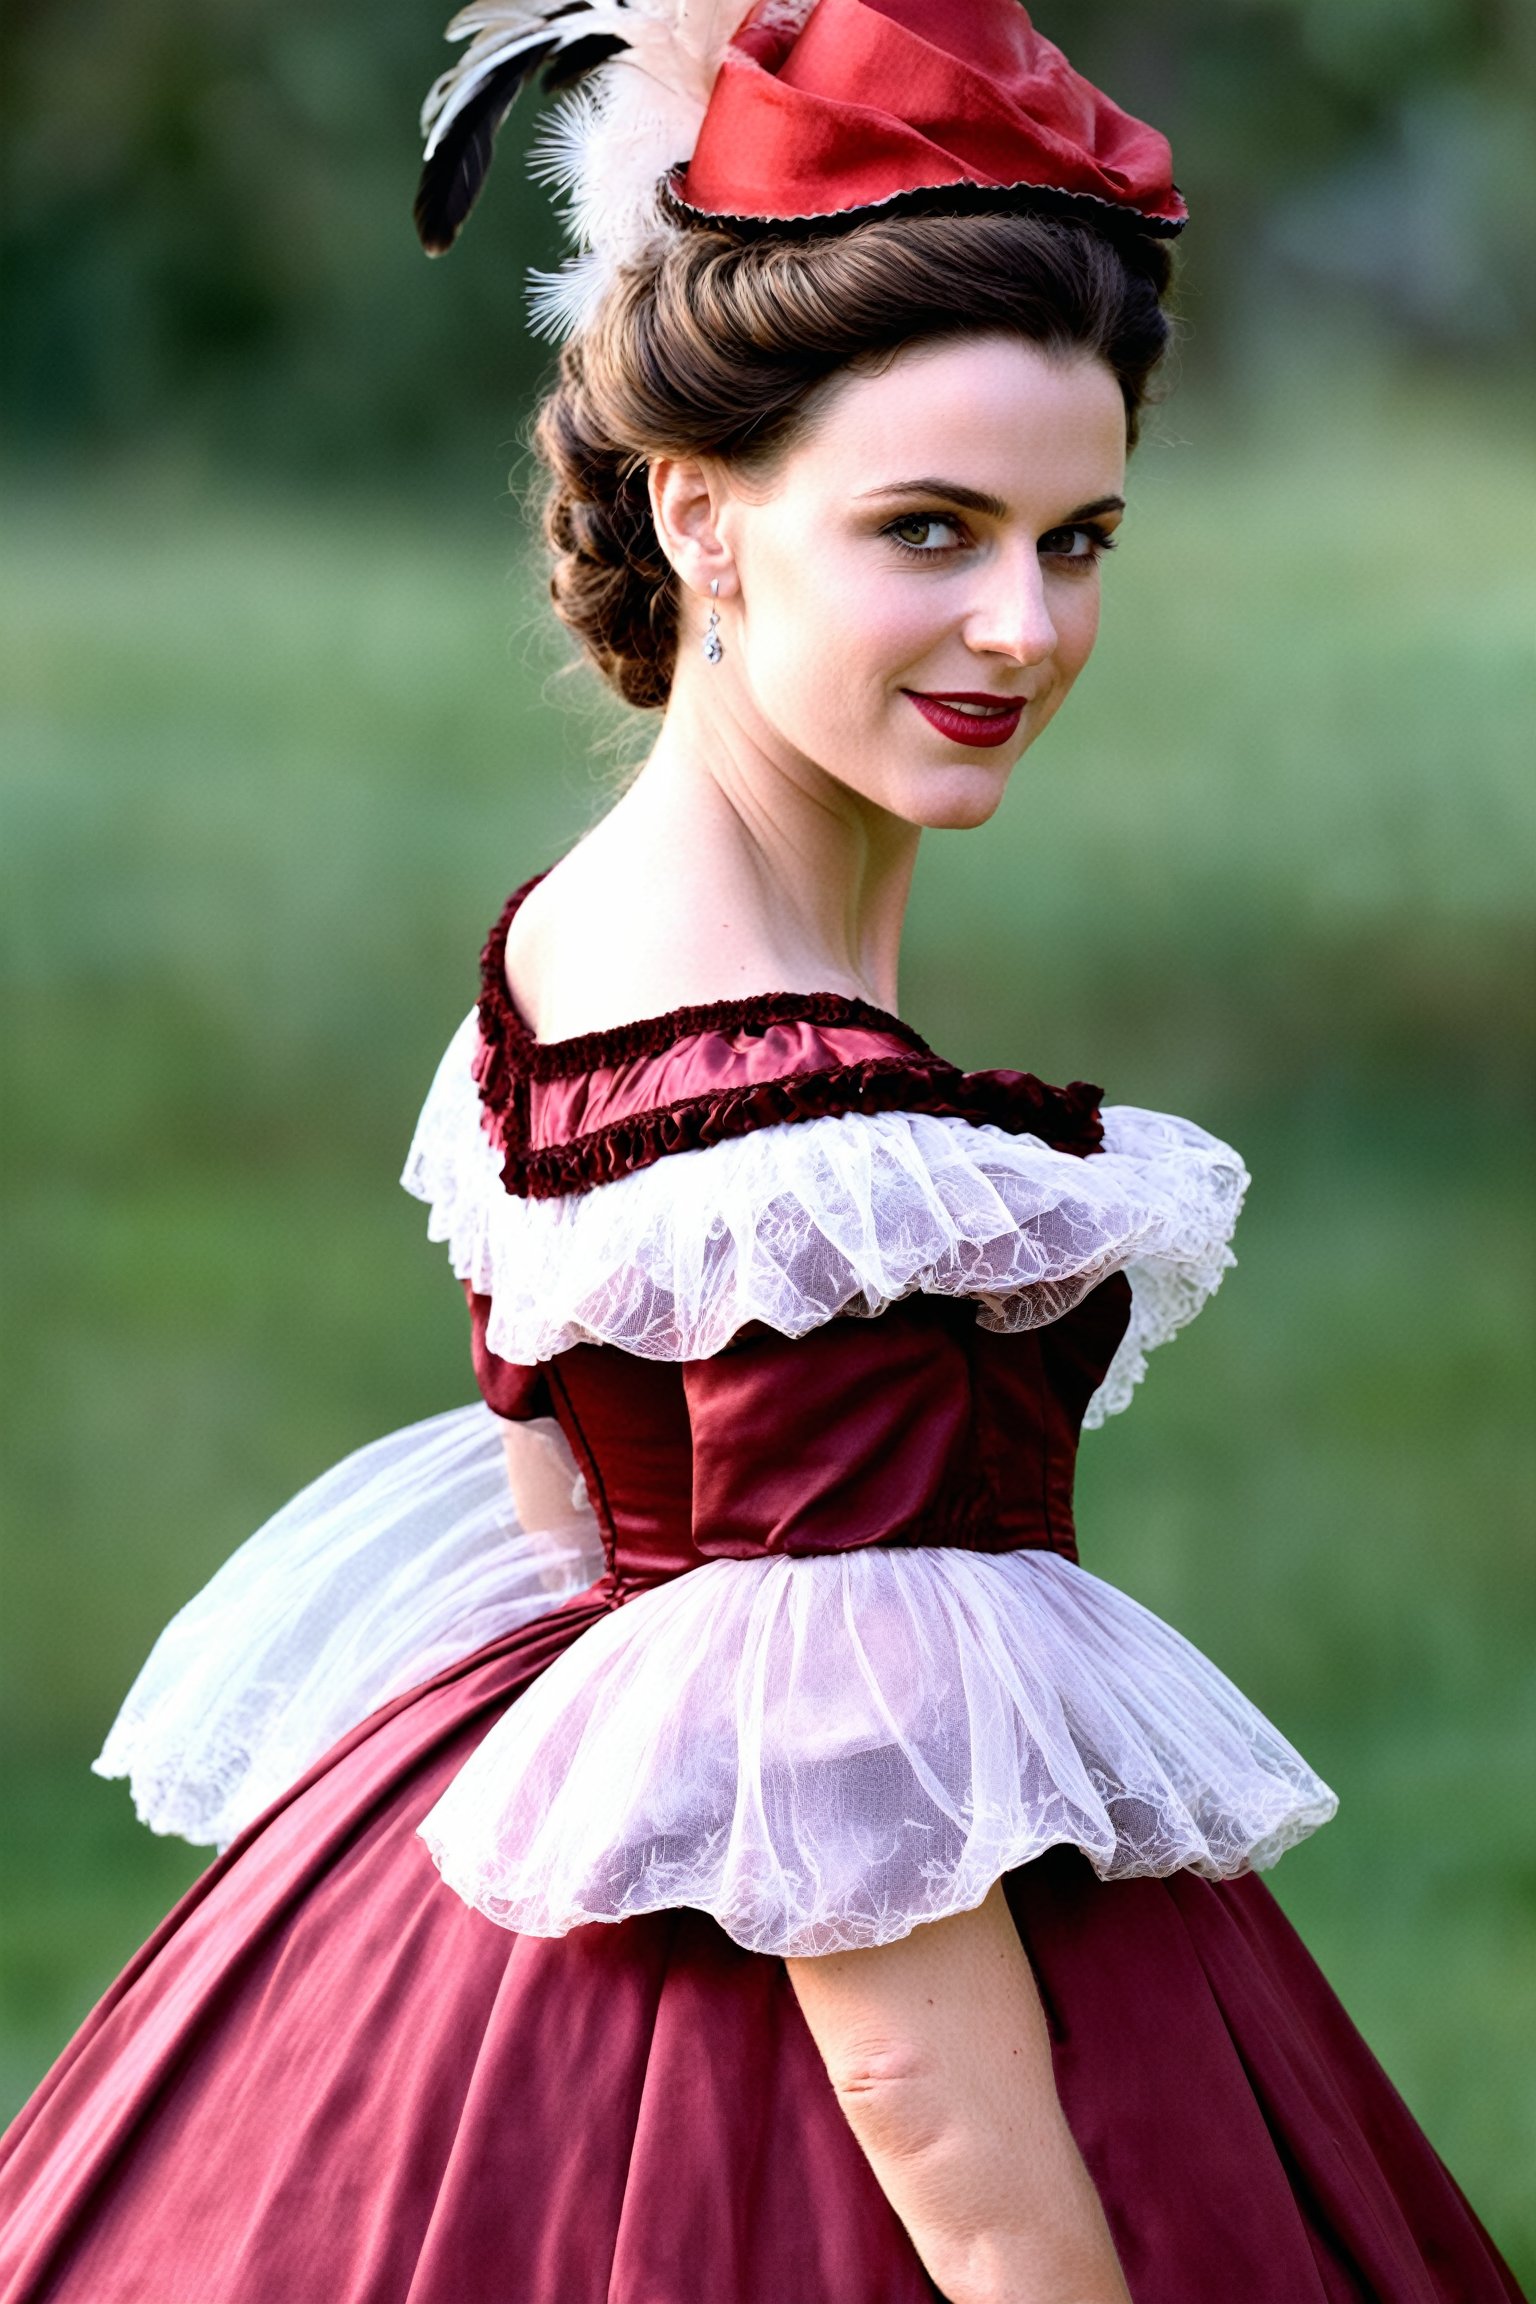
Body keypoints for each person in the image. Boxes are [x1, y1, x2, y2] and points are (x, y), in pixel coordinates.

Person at [0, 2, 1523, 2298]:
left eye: (1077, 534)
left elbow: (565, 1502)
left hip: (500, 1962)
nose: (1026, 626)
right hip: (851, 2106)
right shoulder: (791, 1126)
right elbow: (903, 2027)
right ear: (700, 514)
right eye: (931, 532)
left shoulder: (587, 936)